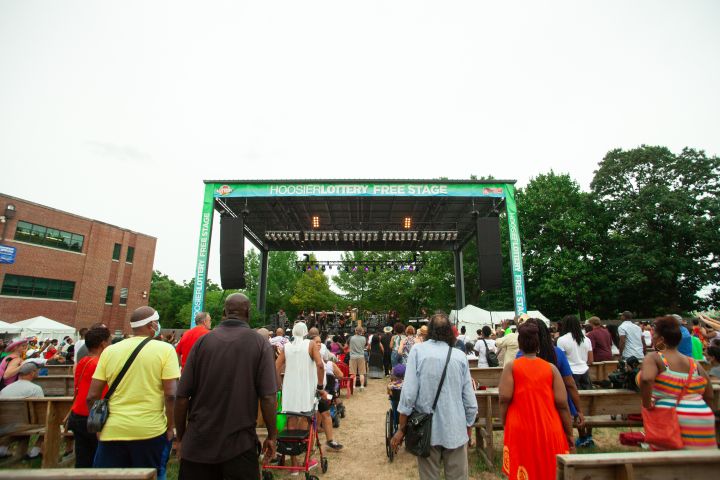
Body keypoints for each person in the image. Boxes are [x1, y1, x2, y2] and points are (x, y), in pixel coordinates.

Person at [175, 294, 278, 479]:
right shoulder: (260, 343)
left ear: (224, 312)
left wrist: (181, 438)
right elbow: (269, 397)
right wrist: (272, 435)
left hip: (198, 442)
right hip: (239, 446)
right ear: (248, 312)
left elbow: (182, 396)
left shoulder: (202, 343)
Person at [87, 306, 180, 480]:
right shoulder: (166, 350)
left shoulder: (109, 351)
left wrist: (97, 426)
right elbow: (170, 395)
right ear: (152, 325)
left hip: (113, 429)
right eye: (157, 322)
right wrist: (170, 426)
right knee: (153, 475)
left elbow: (92, 395)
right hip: (150, 429)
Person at [391, 313, 478, 480]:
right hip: (456, 428)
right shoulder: (460, 356)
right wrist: (468, 427)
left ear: (429, 330)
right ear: (450, 332)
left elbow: (408, 394)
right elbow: (469, 399)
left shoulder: (418, 351)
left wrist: (402, 428)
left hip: (426, 430)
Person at [501, 321, 574, 479]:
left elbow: (504, 398)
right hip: (549, 426)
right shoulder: (551, 369)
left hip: (519, 426)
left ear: (520, 344)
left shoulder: (511, 367)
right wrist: (569, 432)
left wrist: (504, 419)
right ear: (538, 345)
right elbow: (562, 404)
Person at [639, 316, 716, 449]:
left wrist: (647, 405)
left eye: (655, 336)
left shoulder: (655, 357)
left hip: (672, 419)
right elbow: (709, 394)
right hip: (702, 418)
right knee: (701, 467)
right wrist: (695, 409)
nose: (652, 338)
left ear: (661, 339)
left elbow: (646, 379)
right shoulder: (694, 363)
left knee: (670, 467)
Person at [276, 322, 342, 460]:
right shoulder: (310, 344)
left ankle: (293, 463)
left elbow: (275, 368)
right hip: (307, 390)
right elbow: (320, 365)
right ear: (306, 332)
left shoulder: (286, 347)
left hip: (290, 391)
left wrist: (280, 385)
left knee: (291, 422)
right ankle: (306, 458)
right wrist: (319, 386)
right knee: (306, 422)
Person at [68, 326, 111, 468]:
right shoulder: (100, 364)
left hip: (77, 414)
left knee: (83, 458)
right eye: (109, 341)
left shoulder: (83, 361)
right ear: (103, 344)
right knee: (98, 459)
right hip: (92, 416)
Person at [557, 315, 594, 391]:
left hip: (569, 373)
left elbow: (561, 360)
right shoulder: (587, 339)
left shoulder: (561, 340)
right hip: (585, 373)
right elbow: (590, 360)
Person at [348, 326, 367, 391]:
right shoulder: (364, 338)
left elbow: (348, 345)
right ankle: (361, 386)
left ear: (355, 331)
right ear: (362, 331)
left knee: (353, 373)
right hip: (361, 356)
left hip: (353, 356)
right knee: (361, 373)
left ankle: (353, 386)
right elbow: (364, 346)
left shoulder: (351, 338)